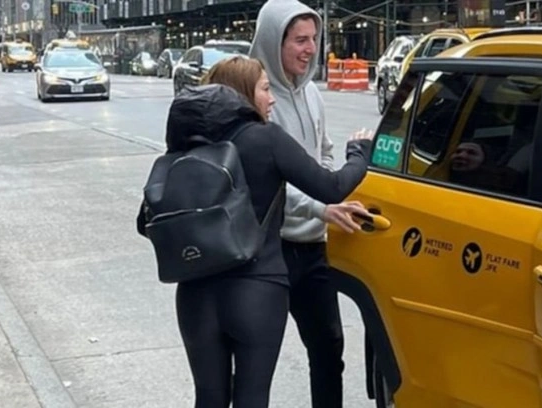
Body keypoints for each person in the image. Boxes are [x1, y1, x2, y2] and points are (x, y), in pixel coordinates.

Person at [140, 58, 373, 408]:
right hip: (257, 288)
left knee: (208, 398)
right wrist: (359, 154)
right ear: (243, 93)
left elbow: (147, 221)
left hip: (195, 295)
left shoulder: (186, 144)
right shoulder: (265, 139)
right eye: (265, 89)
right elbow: (331, 187)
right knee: (252, 397)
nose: (272, 98)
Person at [250, 1, 369, 406]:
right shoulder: (259, 102)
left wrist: (324, 193)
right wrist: (321, 206)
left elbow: (325, 153)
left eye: (314, 39)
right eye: (300, 40)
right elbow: (267, 182)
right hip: (271, 250)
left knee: (328, 349)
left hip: (314, 248)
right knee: (257, 359)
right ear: (274, 41)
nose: (311, 49)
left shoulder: (312, 93)